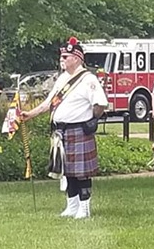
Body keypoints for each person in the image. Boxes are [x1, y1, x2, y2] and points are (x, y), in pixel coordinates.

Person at [22, 37, 108, 219]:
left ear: (77, 58)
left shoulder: (88, 79)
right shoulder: (62, 79)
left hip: (79, 129)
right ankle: (72, 205)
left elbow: (100, 103)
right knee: (67, 171)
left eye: (66, 56)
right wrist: (29, 114)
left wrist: (93, 119)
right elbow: (48, 103)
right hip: (61, 131)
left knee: (82, 173)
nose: (62, 59)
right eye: (62, 56)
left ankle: (84, 207)